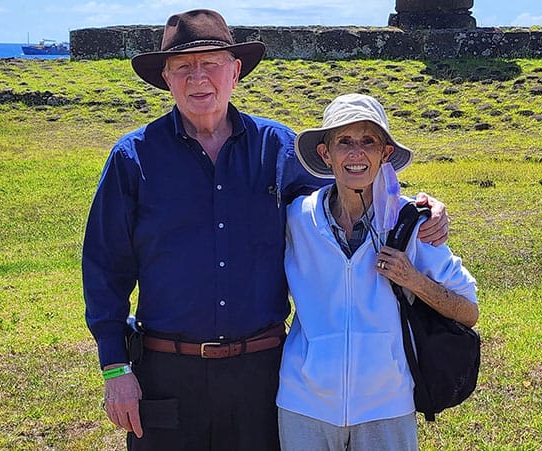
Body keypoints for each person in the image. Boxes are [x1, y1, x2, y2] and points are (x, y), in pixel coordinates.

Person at [82, 9, 449, 451]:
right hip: (166, 371)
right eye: (183, 67)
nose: (198, 78)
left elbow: (352, 187)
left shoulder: (277, 148)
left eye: (211, 64)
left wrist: (420, 208)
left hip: (261, 372)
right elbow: (105, 266)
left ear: (235, 71)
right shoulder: (132, 158)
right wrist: (115, 367)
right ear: (166, 77)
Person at [277, 93, 479, 451]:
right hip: (303, 402)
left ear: (385, 153)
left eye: (368, 141)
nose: (356, 154)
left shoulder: (412, 222)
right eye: (344, 142)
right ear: (326, 154)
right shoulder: (296, 218)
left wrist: (412, 279)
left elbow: (468, 311)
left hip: (387, 405)